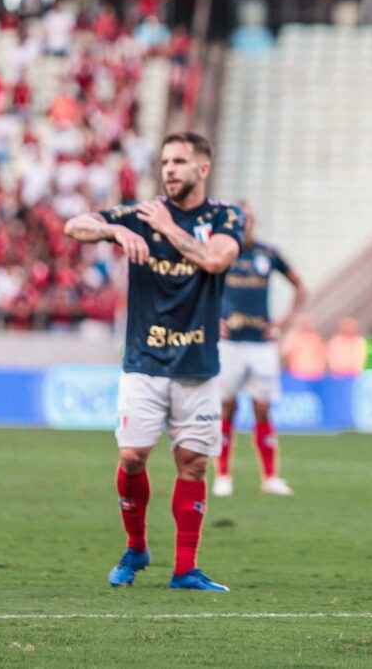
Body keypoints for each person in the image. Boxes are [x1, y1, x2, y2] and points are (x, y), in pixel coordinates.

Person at [63, 132, 243, 591]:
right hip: (143, 360)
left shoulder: (224, 216)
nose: (169, 169)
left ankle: (185, 569)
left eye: (180, 161)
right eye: (165, 161)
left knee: (193, 464)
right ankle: (136, 546)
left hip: (197, 364)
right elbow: (74, 225)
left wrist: (165, 228)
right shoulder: (141, 215)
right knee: (133, 455)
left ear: (203, 169)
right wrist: (115, 229)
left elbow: (216, 260)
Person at [214, 203, 306, 498]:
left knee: (262, 408)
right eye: (240, 219)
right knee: (226, 405)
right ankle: (223, 475)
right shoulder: (221, 253)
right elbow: (198, 287)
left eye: (249, 219)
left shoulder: (268, 253)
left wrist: (283, 322)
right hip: (230, 343)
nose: (245, 224)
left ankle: (270, 477)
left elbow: (299, 286)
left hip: (261, 344)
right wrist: (211, 319)